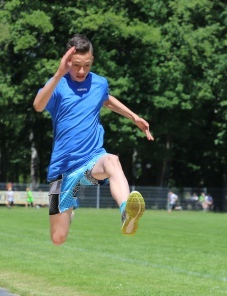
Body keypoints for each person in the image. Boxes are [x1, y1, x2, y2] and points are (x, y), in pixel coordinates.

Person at [33, 34, 153, 245]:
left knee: (112, 160)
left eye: (86, 65)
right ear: (67, 61)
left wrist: (134, 117)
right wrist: (59, 73)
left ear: (92, 60)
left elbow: (107, 100)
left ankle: (127, 212)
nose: (81, 71)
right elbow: (38, 105)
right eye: (76, 65)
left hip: (91, 160)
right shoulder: (58, 85)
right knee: (58, 238)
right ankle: (70, 209)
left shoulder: (99, 83)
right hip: (62, 169)